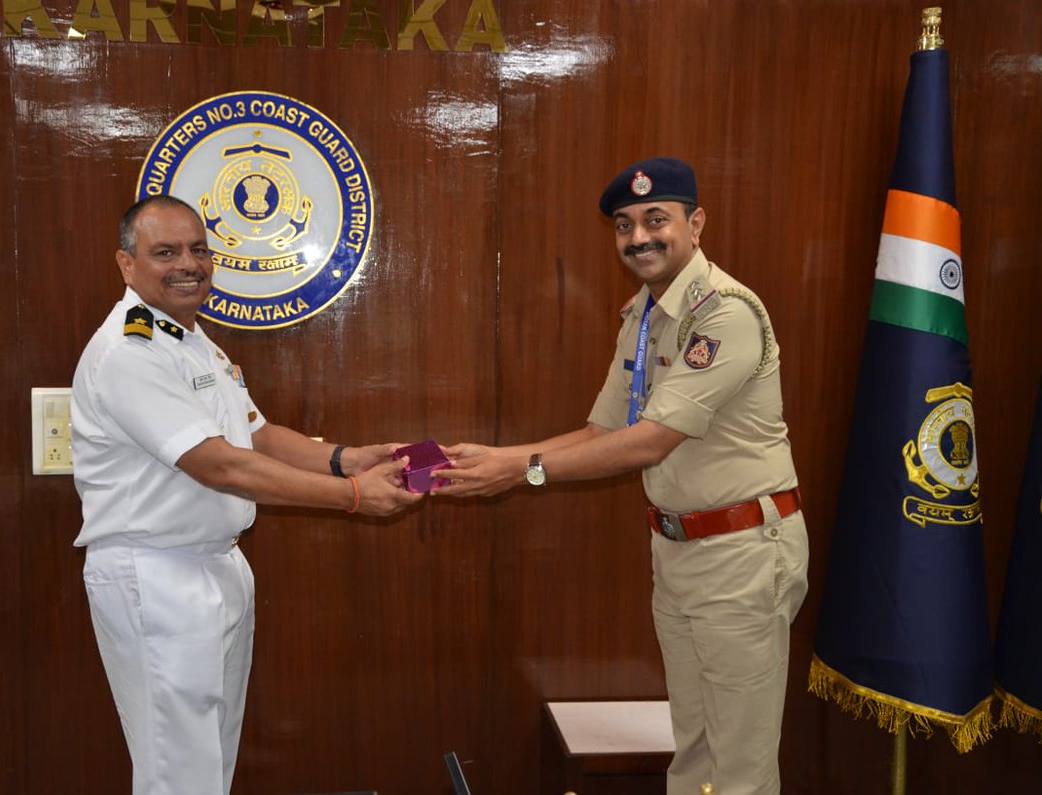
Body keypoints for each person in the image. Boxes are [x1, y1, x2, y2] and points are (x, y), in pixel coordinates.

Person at [434, 158, 809, 794]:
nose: (639, 238)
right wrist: (498, 456)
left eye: (656, 220)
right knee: (692, 751)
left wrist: (518, 471)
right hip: (680, 550)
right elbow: (604, 433)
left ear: (695, 224)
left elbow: (650, 443)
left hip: (742, 556)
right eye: (624, 225)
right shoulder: (643, 314)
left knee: (739, 765)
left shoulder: (724, 314)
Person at [70, 194, 422, 795]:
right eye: (166, 252)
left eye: (199, 250)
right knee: (177, 772)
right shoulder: (128, 352)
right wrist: (354, 497)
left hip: (214, 565)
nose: (189, 264)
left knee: (210, 765)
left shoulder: (189, 338)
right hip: (154, 575)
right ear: (127, 266)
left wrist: (347, 460)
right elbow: (219, 466)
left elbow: (254, 435)